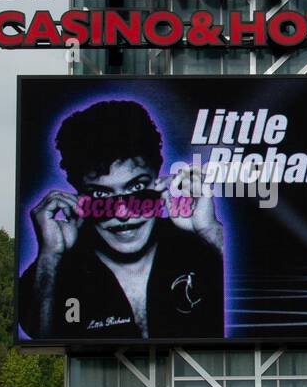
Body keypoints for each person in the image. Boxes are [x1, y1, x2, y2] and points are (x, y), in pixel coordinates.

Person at [19, 99, 224, 340]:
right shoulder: (52, 266)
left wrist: (210, 232)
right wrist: (51, 256)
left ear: (159, 178)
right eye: (101, 196)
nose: (123, 214)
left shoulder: (202, 245)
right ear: (78, 195)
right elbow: (44, 348)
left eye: (137, 188)